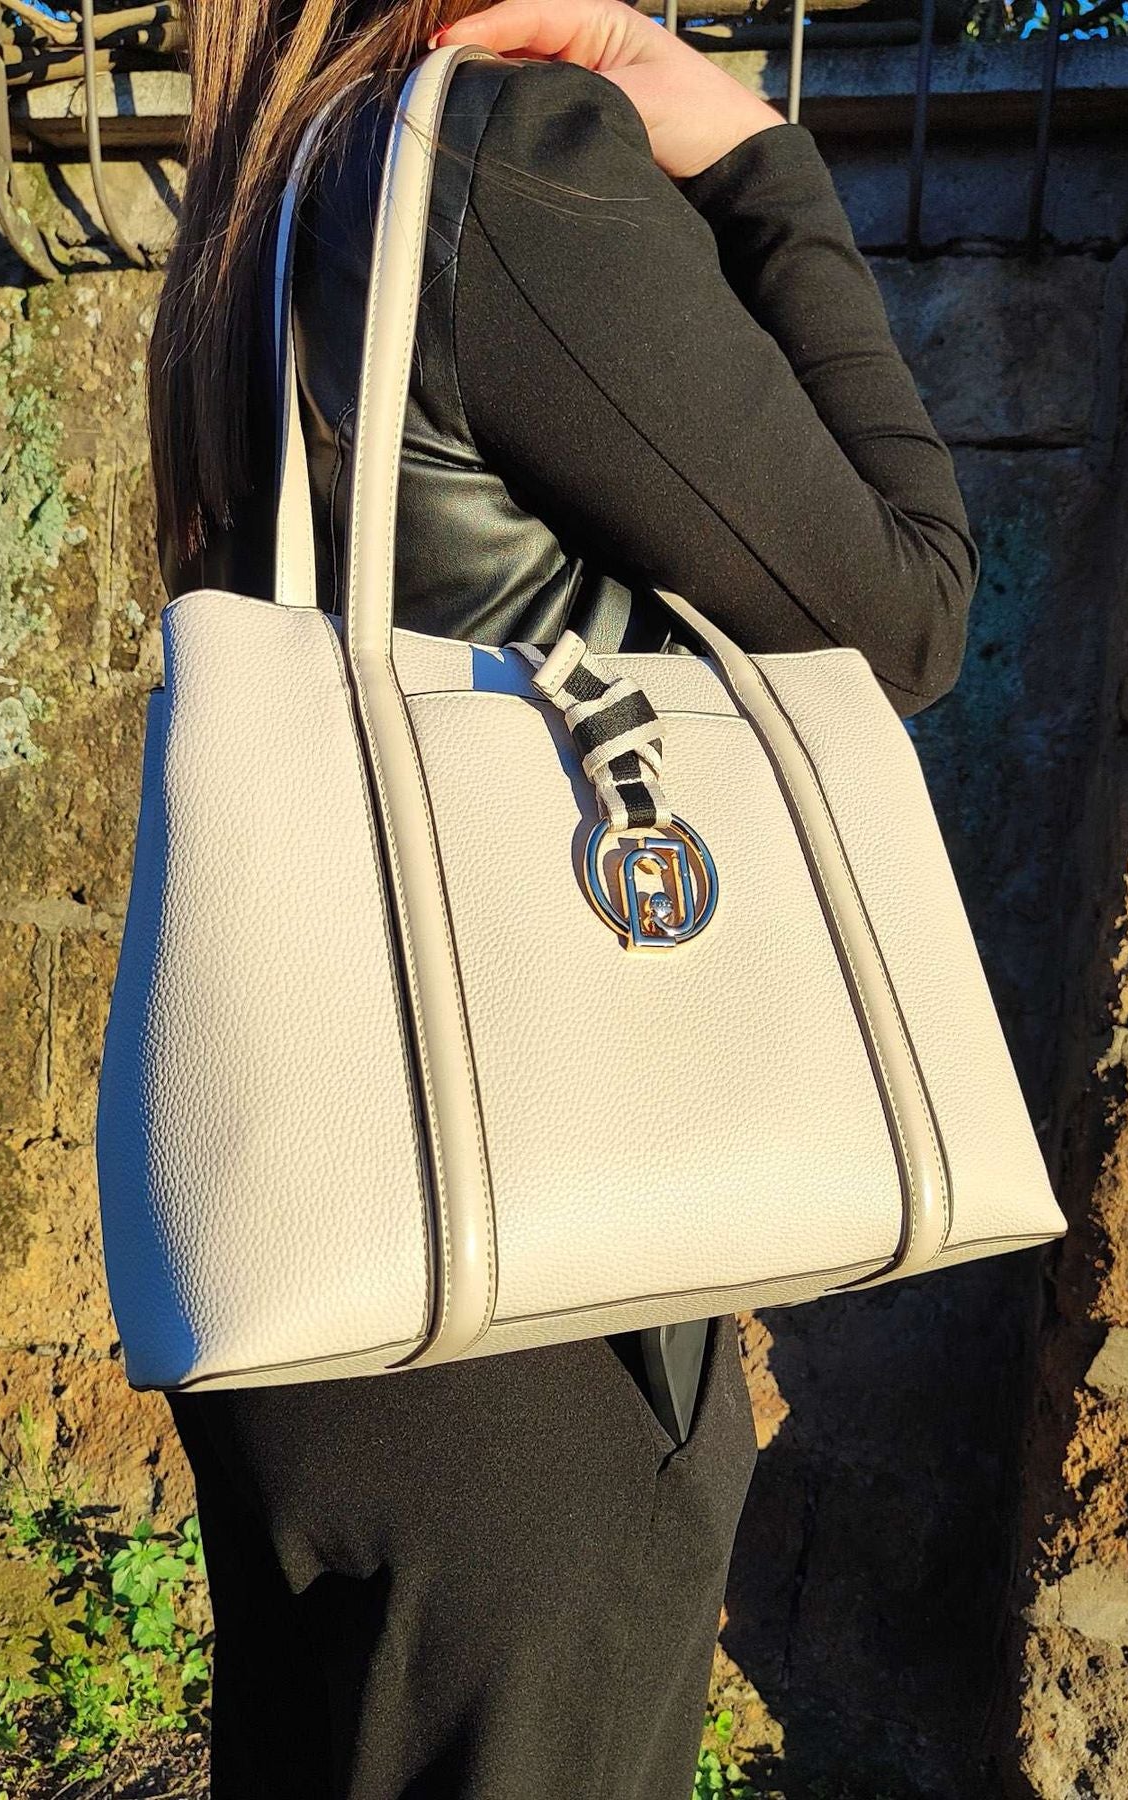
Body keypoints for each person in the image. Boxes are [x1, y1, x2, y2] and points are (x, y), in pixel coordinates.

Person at [147, 1, 980, 1795]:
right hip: (527, 1323)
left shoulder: (266, 202)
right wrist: (759, 164)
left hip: (307, 1248)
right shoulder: (495, 164)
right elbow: (901, 613)